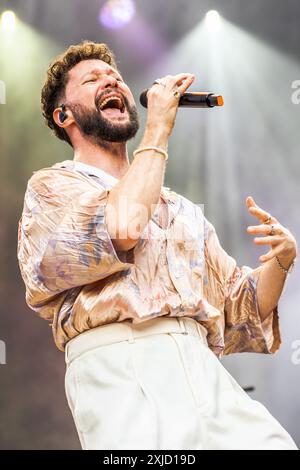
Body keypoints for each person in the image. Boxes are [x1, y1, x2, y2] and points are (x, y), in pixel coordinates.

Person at [17, 41, 297, 450]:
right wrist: (159, 129)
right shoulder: (53, 187)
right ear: (65, 116)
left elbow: (244, 307)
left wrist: (282, 262)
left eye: (115, 77)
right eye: (92, 79)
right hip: (122, 361)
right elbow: (122, 229)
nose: (111, 81)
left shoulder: (179, 208)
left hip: (201, 364)